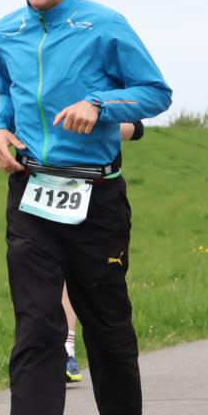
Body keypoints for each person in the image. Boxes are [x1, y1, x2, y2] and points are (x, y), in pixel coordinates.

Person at [0, 0, 171, 415]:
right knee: (37, 328)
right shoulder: (5, 31)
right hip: (32, 196)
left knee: (107, 327)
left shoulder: (105, 24)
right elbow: (6, 100)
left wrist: (100, 104)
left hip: (96, 199)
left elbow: (155, 92)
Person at [64, 119, 143, 382]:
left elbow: (137, 128)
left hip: (95, 191)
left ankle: (85, 352)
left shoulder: (102, 91)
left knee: (91, 284)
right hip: (43, 187)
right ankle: (65, 350)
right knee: (53, 272)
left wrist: (100, 126)